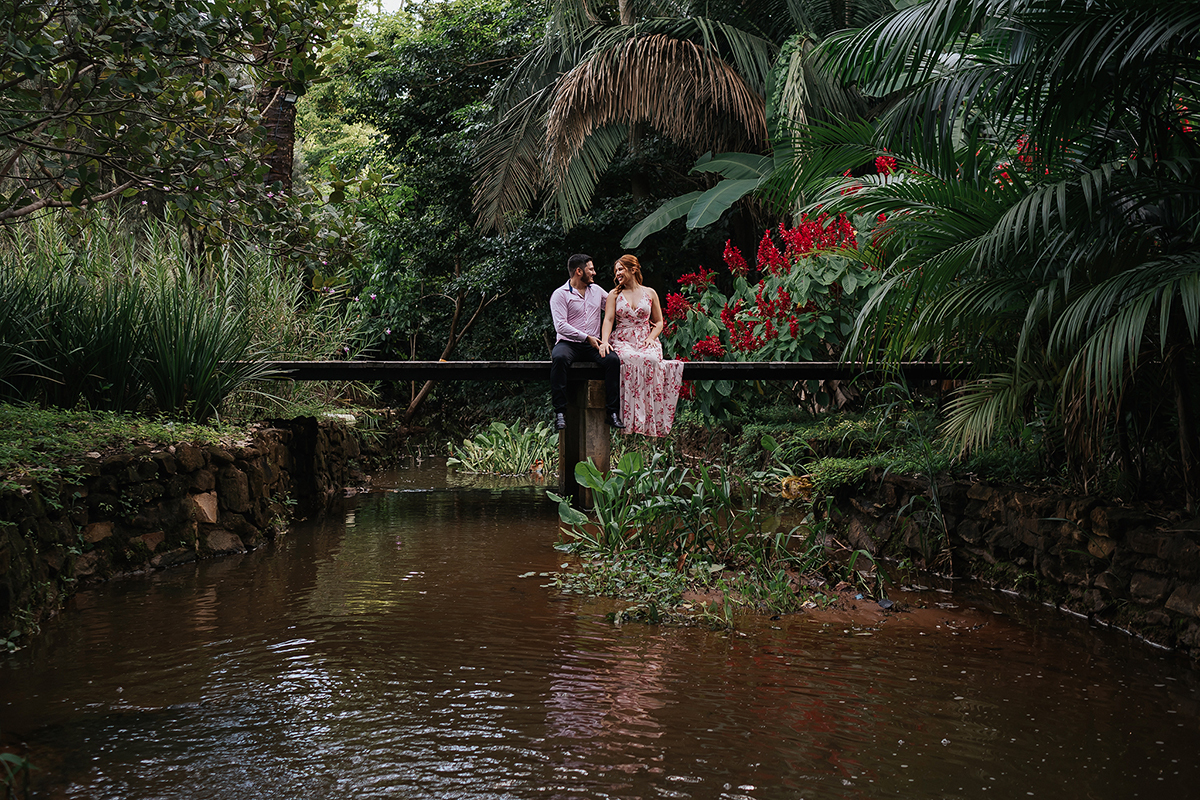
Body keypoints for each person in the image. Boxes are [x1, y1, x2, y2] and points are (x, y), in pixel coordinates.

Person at [600, 254, 683, 437]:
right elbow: (609, 319)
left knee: (652, 359)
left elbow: (659, 322)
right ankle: (628, 418)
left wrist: (652, 338)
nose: (618, 274)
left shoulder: (650, 293)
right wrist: (604, 341)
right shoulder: (614, 294)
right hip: (623, 338)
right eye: (616, 271)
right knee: (628, 359)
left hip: (645, 337)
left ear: (633, 269)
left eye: (621, 269)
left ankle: (646, 418)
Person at [549, 253, 624, 430]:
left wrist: (641, 317)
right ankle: (560, 411)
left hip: (593, 344)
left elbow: (615, 309)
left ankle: (612, 412)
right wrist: (585, 337)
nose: (594, 272)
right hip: (569, 343)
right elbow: (560, 326)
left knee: (612, 360)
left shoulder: (597, 291)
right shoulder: (560, 295)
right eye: (590, 269)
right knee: (559, 359)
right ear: (579, 271)